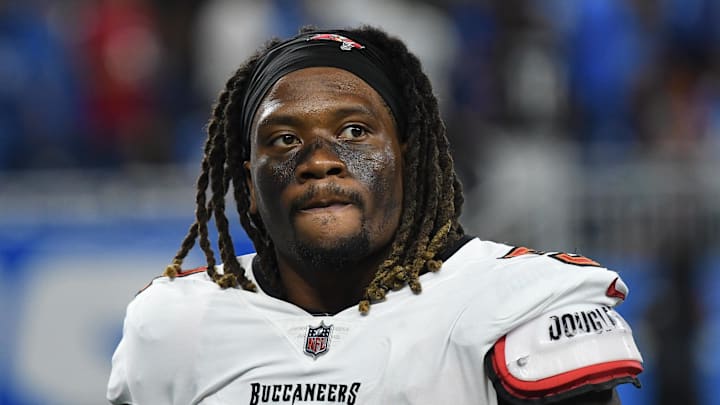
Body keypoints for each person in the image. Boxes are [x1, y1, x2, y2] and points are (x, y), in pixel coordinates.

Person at [107, 26, 643, 405]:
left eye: (355, 133)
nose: (320, 162)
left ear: (408, 163)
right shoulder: (173, 326)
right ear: (248, 185)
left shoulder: (519, 302)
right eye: (285, 139)